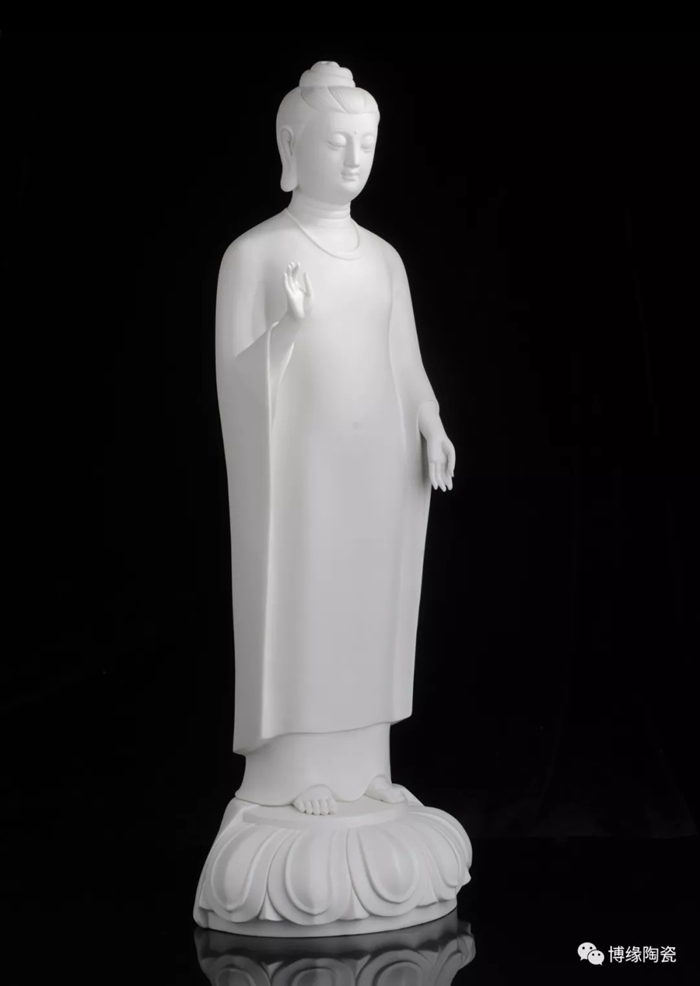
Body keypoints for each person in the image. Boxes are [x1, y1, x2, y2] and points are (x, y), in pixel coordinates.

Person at [216, 61, 456, 815]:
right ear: (291, 145)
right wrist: (287, 327)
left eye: (366, 143)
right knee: (308, 604)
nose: (354, 159)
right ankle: (295, 773)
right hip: (302, 472)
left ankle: (364, 767)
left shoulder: (384, 259)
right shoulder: (254, 254)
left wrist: (430, 420)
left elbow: (404, 358)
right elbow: (233, 379)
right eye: (335, 142)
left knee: (369, 605)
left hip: (377, 464)